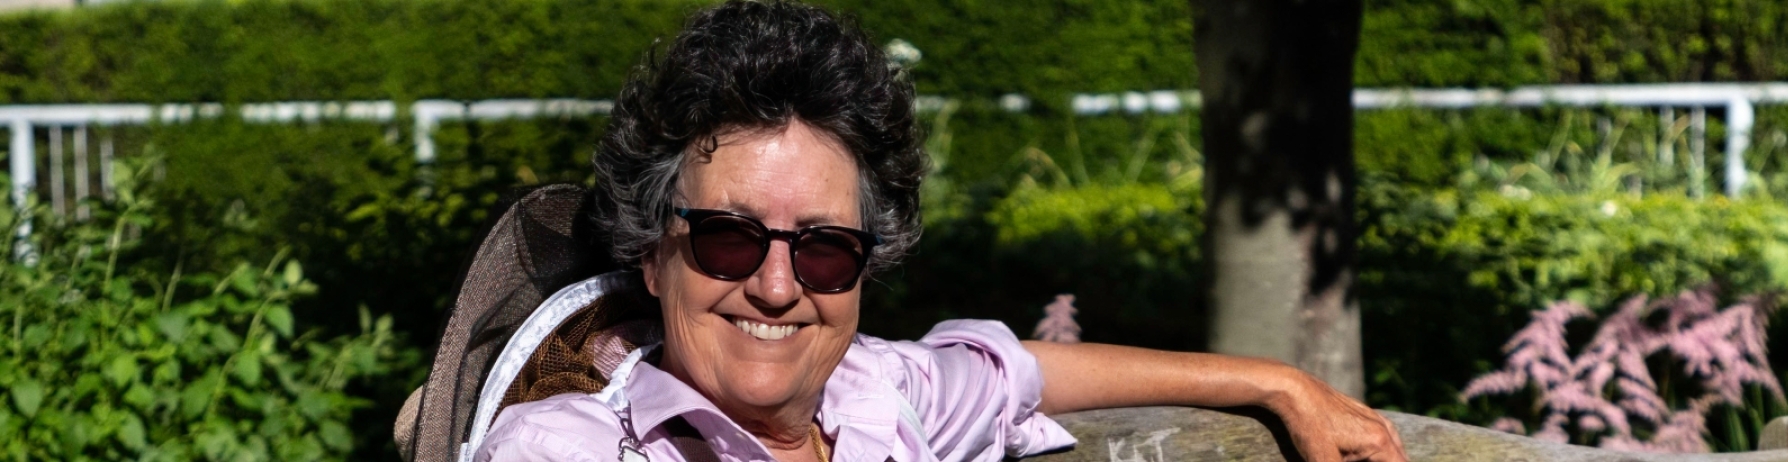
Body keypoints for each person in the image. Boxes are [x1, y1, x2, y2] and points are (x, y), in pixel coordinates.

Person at [474, 1, 1406, 461]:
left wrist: (1279, 383)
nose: (774, 286)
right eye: (728, 238)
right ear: (650, 251)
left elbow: (1026, 373)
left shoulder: (879, 390)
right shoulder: (571, 447)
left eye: (825, 248)